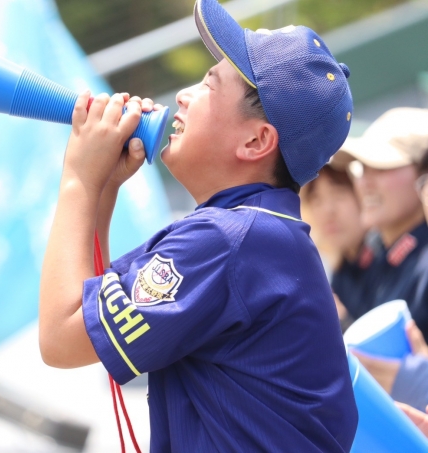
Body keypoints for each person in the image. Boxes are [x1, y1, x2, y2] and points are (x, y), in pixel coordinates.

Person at [39, 0, 357, 451]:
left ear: (256, 140)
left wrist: (78, 179)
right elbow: (86, 312)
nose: (184, 95)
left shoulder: (228, 241)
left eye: (209, 84)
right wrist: (103, 189)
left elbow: (60, 339)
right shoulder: (251, 233)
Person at [335, 108, 428, 338]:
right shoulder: (375, 264)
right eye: (362, 168)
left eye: (382, 167)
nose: (364, 182)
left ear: (423, 174)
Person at [300, 162, 368, 330]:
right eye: (316, 200)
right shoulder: (339, 273)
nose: (328, 210)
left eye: (339, 194)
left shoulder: (386, 261)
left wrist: (342, 320)